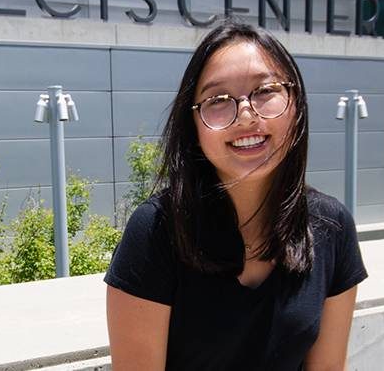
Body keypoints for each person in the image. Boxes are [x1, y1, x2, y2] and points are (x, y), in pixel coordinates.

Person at [104, 20, 368, 370]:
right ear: (193, 124)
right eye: (218, 100)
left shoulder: (331, 226)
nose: (245, 114)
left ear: (296, 104)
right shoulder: (155, 231)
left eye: (265, 91)